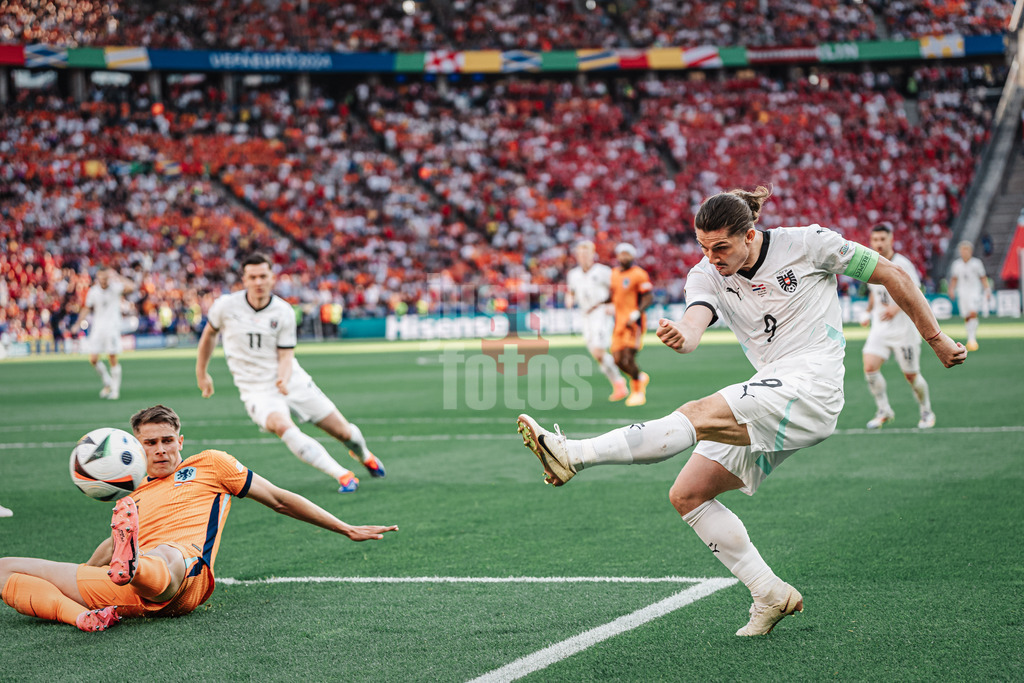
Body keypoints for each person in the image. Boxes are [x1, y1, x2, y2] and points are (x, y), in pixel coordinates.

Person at [517, 187, 965, 637]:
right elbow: (696, 321)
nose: (711, 257)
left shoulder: (808, 243)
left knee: (696, 412)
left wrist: (937, 339)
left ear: (750, 235)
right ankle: (768, 592)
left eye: (721, 247)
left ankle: (573, 454)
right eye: (703, 247)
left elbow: (891, 274)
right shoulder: (706, 274)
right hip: (772, 391)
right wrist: (684, 335)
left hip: (812, 385)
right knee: (688, 494)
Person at [0, 405, 397, 632]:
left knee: (167, 553)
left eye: (167, 441)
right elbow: (108, 547)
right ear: (137, 447)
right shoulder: (132, 491)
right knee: (6, 571)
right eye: (149, 443)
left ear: (180, 441)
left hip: (182, 579)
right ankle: (84, 616)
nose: (159, 450)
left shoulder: (210, 465)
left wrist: (344, 527)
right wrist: (83, 573)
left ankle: (135, 564)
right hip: (123, 589)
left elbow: (277, 498)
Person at [196, 253, 385, 494]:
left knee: (344, 432)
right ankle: (343, 475)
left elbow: (286, 355)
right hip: (256, 389)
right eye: (252, 277)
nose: (258, 282)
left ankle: (365, 456)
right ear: (243, 279)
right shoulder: (225, 306)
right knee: (282, 426)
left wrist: (283, 379)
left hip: (292, 380)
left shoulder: (283, 311)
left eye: (263, 276)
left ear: (272, 278)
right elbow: (209, 336)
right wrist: (202, 373)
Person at [859, 224, 935, 429]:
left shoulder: (903, 264)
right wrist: (868, 312)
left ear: (891, 240)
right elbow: (874, 294)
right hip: (880, 328)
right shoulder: (870, 262)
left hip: (903, 330)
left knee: (911, 375)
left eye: (883, 239)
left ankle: (926, 411)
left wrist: (896, 308)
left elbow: (916, 292)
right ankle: (884, 410)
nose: (879, 244)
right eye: (875, 240)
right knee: (869, 367)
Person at [566, 240, 627, 401]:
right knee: (597, 354)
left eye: (586, 254)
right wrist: (569, 299)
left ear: (593, 255)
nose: (583, 257)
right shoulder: (573, 275)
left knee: (598, 351)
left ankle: (619, 382)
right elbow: (571, 291)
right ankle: (618, 383)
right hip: (585, 315)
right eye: (580, 254)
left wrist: (612, 305)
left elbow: (616, 290)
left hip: (600, 311)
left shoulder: (603, 272)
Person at [74, 267, 134, 400]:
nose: (104, 280)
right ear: (98, 277)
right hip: (97, 329)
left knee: (112, 357)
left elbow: (132, 287)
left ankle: (115, 390)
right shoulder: (93, 291)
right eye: (101, 277)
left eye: (106, 277)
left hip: (112, 328)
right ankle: (107, 381)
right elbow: (86, 308)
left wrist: (117, 276)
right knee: (93, 359)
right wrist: (78, 323)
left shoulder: (115, 287)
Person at [610, 243, 654, 406]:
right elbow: (613, 294)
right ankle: (640, 377)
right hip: (618, 323)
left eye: (627, 254)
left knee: (628, 357)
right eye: (621, 253)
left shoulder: (639, 274)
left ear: (633, 256)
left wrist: (637, 312)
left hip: (633, 323)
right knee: (616, 360)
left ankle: (637, 391)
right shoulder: (614, 274)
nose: (624, 257)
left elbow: (648, 296)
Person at [948, 241, 990, 352]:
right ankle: (970, 337)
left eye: (966, 250)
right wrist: (951, 289)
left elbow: (983, 277)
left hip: (974, 291)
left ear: (970, 251)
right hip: (962, 292)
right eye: (962, 250)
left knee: (972, 312)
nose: (964, 252)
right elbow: (954, 278)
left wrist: (987, 289)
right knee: (966, 315)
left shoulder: (977, 263)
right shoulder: (957, 264)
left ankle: (972, 339)